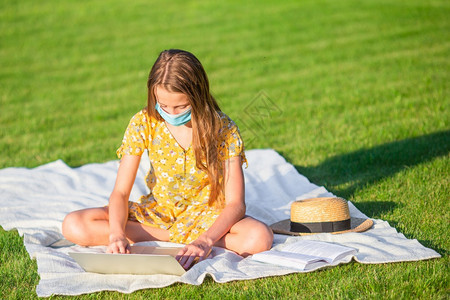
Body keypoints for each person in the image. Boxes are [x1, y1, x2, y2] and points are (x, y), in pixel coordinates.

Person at [62, 49, 273, 269]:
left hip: (207, 216)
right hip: (160, 213)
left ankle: (180, 241)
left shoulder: (223, 129)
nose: (172, 113)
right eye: (163, 105)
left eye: (181, 107)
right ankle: (177, 240)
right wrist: (116, 234)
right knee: (73, 224)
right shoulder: (143, 123)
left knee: (259, 237)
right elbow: (121, 192)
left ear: (198, 96)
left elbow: (236, 204)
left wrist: (205, 240)